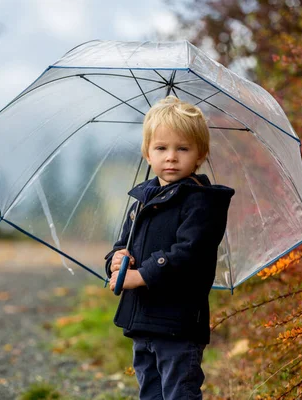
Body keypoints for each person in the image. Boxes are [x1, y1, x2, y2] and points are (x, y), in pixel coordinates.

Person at [104, 96, 235, 399]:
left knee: (179, 392)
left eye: (183, 148)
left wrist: (143, 275)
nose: (171, 157)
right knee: (150, 392)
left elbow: (189, 254)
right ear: (147, 153)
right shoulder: (142, 201)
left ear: (200, 154)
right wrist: (116, 259)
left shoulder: (202, 203)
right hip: (143, 321)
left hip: (179, 324)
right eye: (161, 148)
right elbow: (124, 242)